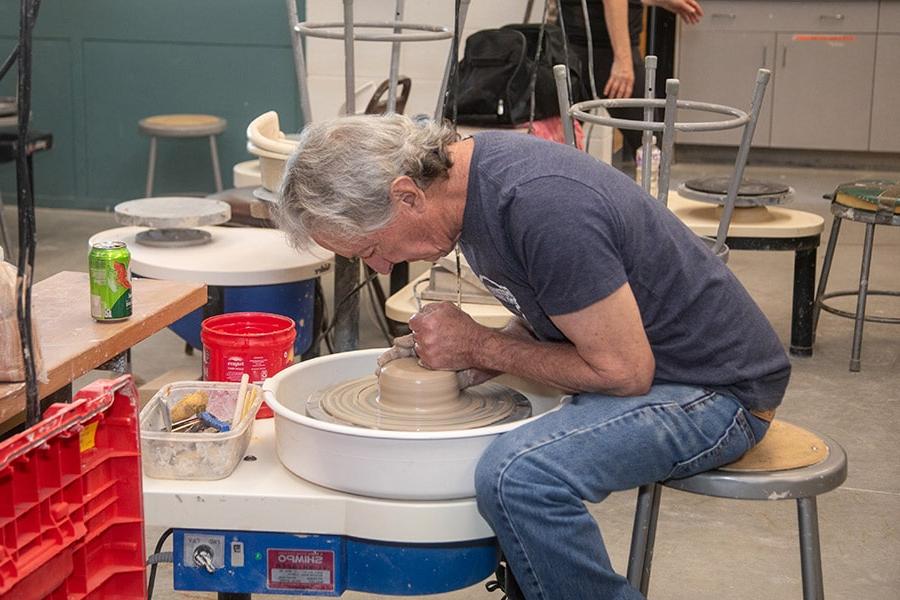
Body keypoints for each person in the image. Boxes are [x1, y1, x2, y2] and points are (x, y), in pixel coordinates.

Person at [277, 114, 790, 600]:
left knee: (517, 475)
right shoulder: (468, 186)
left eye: (370, 249)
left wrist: (481, 345)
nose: (382, 264)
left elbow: (625, 372)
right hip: (654, 366)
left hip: (715, 391)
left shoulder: (540, 205)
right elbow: (554, 309)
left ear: (406, 195)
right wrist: (487, 354)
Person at [558, 0, 703, 162]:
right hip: (600, 51)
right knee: (652, 148)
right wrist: (623, 61)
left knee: (559, 144)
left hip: (581, 47)